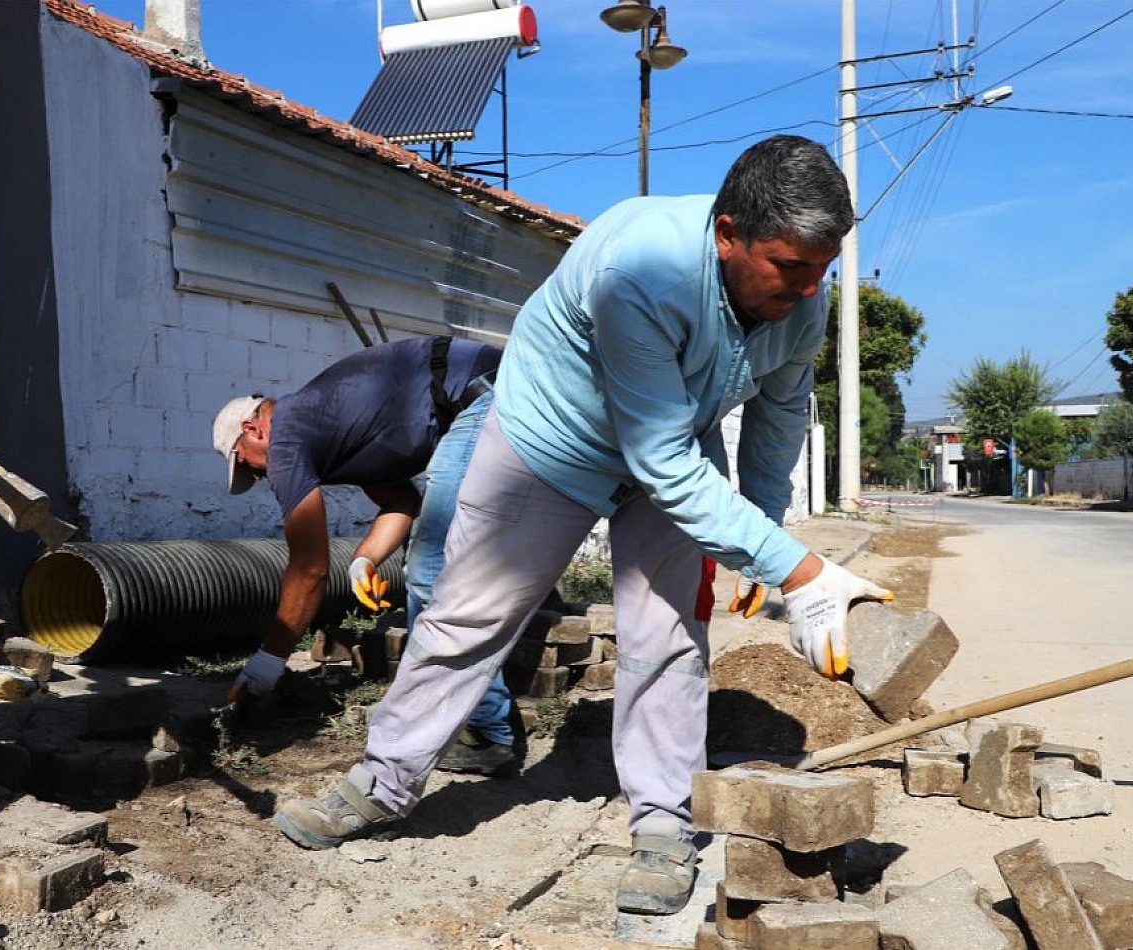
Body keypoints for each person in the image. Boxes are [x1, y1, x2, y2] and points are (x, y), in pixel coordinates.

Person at [271, 135, 893, 915]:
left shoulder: (803, 299)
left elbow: (777, 414)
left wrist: (761, 534)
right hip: (549, 438)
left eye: (822, 269)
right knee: (469, 614)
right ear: (728, 234)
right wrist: (800, 572)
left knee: (668, 635)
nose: (809, 290)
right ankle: (382, 781)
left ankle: (664, 824)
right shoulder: (639, 266)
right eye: (791, 268)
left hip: (672, 442)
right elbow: (660, 457)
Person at [212, 335, 523, 774]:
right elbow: (401, 502)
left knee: (433, 573)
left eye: (246, 464)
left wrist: (269, 660)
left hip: (482, 394)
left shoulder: (286, 438)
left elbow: (309, 567)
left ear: (252, 430)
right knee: (463, 562)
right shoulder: (331, 429)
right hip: (489, 389)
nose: (259, 477)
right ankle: (469, 715)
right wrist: (365, 560)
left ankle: (489, 735)